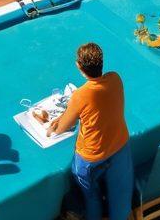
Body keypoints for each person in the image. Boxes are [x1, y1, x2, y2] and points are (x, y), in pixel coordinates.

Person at [46, 43, 132, 220]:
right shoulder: (115, 78)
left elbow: (62, 127)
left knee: (90, 195)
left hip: (91, 156)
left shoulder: (80, 95)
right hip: (120, 145)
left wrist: (52, 127)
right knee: (120, 192)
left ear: (79, 66)